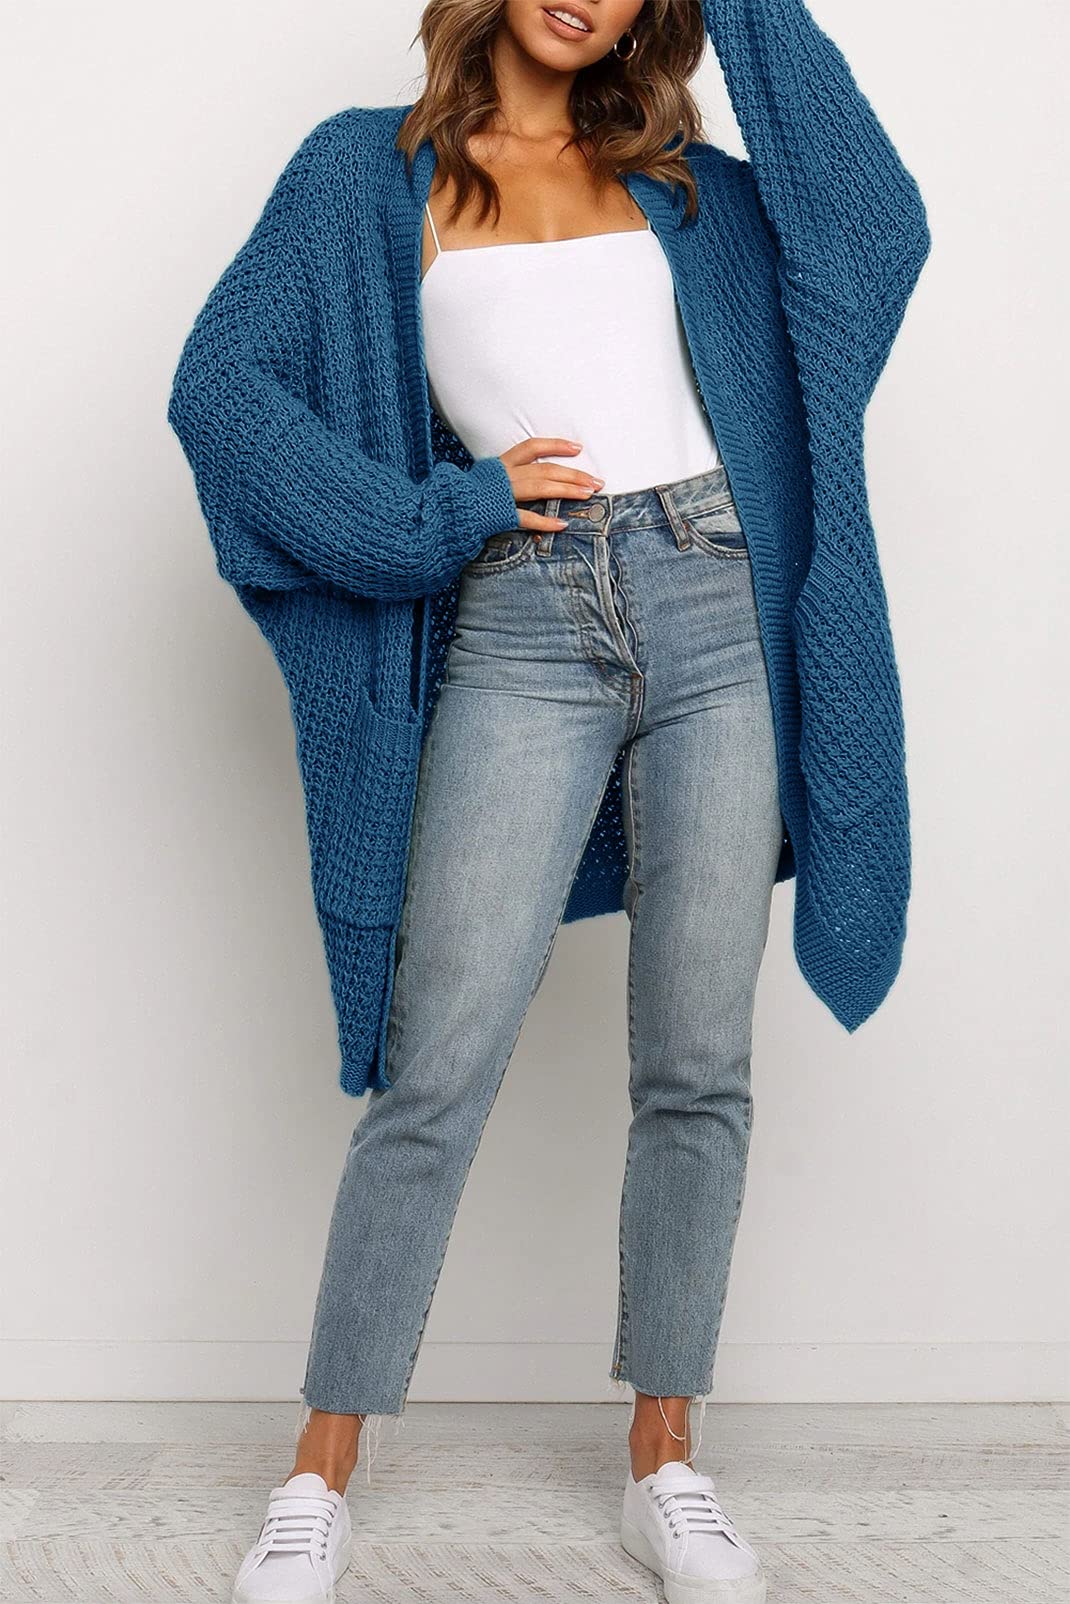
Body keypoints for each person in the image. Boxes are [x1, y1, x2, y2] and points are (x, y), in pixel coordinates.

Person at [167, 3, 931, 1601]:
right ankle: (317, 1477)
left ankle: (667, 1461)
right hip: (519, 620)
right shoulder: (360, 175)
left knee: (696, 1064)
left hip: (721, 609)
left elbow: (873, 231)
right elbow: (221, 394)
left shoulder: (689, 186)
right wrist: (431, 516)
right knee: (437, 1059)